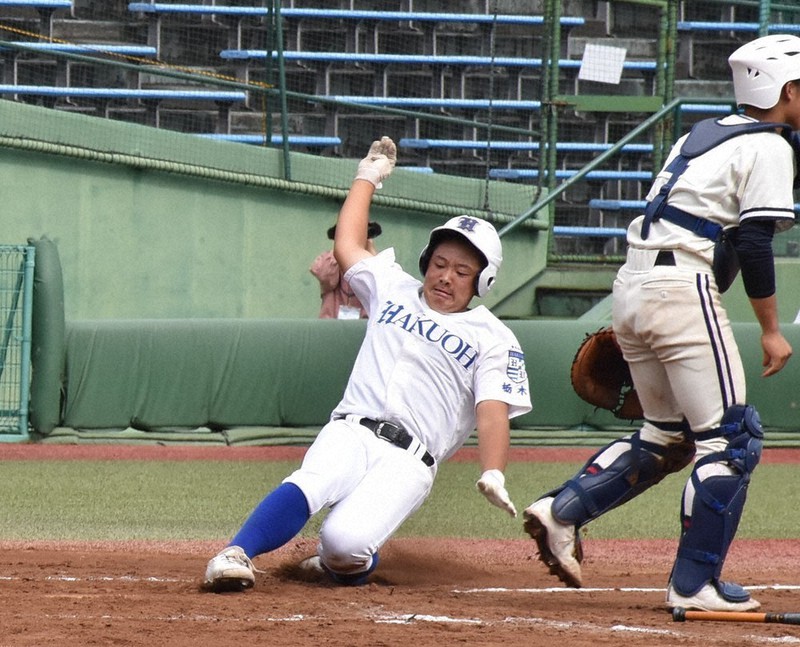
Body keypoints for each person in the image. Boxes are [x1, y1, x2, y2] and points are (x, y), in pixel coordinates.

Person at [522, 34, 798, 613]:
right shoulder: (771, 147)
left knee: (667, 436)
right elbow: (752, 241)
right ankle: (695, 583)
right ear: (788, 90)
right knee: (730, 440)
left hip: (632, 288)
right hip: (680, 290)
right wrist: (771, 329)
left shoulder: (701, 136)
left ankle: (561, 511)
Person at [203, 136, 532, 591]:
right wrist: (367, 177)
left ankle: (339, 565)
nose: (445, 276)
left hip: (412, 460)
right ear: (426, 261)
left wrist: (493, 470)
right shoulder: (392, 287)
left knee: (344, 543)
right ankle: (234, 552)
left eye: (461, 271)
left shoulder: (493, 337)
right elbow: (348, 245)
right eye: (440, 263)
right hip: (353, 427)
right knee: (312, 481)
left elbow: (492, 410)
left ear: (483, 281)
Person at [309, 222, 382, 319]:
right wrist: (341, 248)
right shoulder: (330, 260)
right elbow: (325, 276)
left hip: (363, 327)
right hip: (332, 325)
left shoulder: (372, 263)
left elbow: (381, 284)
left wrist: (369, 250)